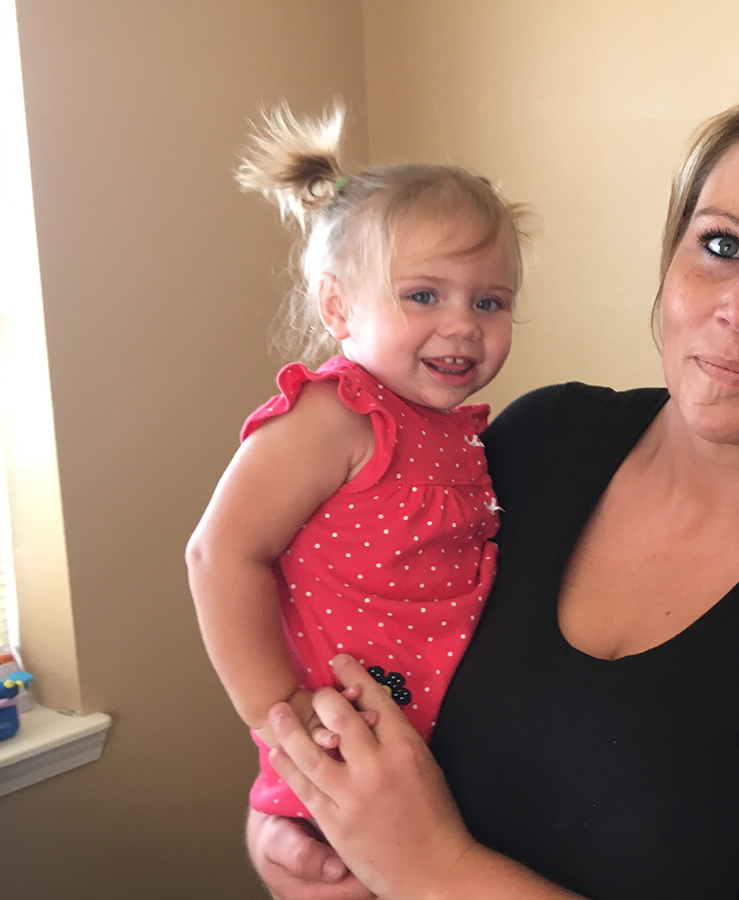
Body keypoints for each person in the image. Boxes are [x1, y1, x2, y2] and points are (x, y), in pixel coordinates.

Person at [248, 78, 739, 900]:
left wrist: (431, 868)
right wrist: (296, 828)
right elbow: (345, 642)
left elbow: (412, 851)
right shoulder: (531, 445)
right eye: (721, 245)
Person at [187, 102, 526, 819]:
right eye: (424, 295)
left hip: (436, 760)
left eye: (490, 302)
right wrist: (277, 708)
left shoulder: (456, 432)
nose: (463, 324)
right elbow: (220, 553)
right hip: (339, 759)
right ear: (338, 308)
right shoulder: (337, 415)